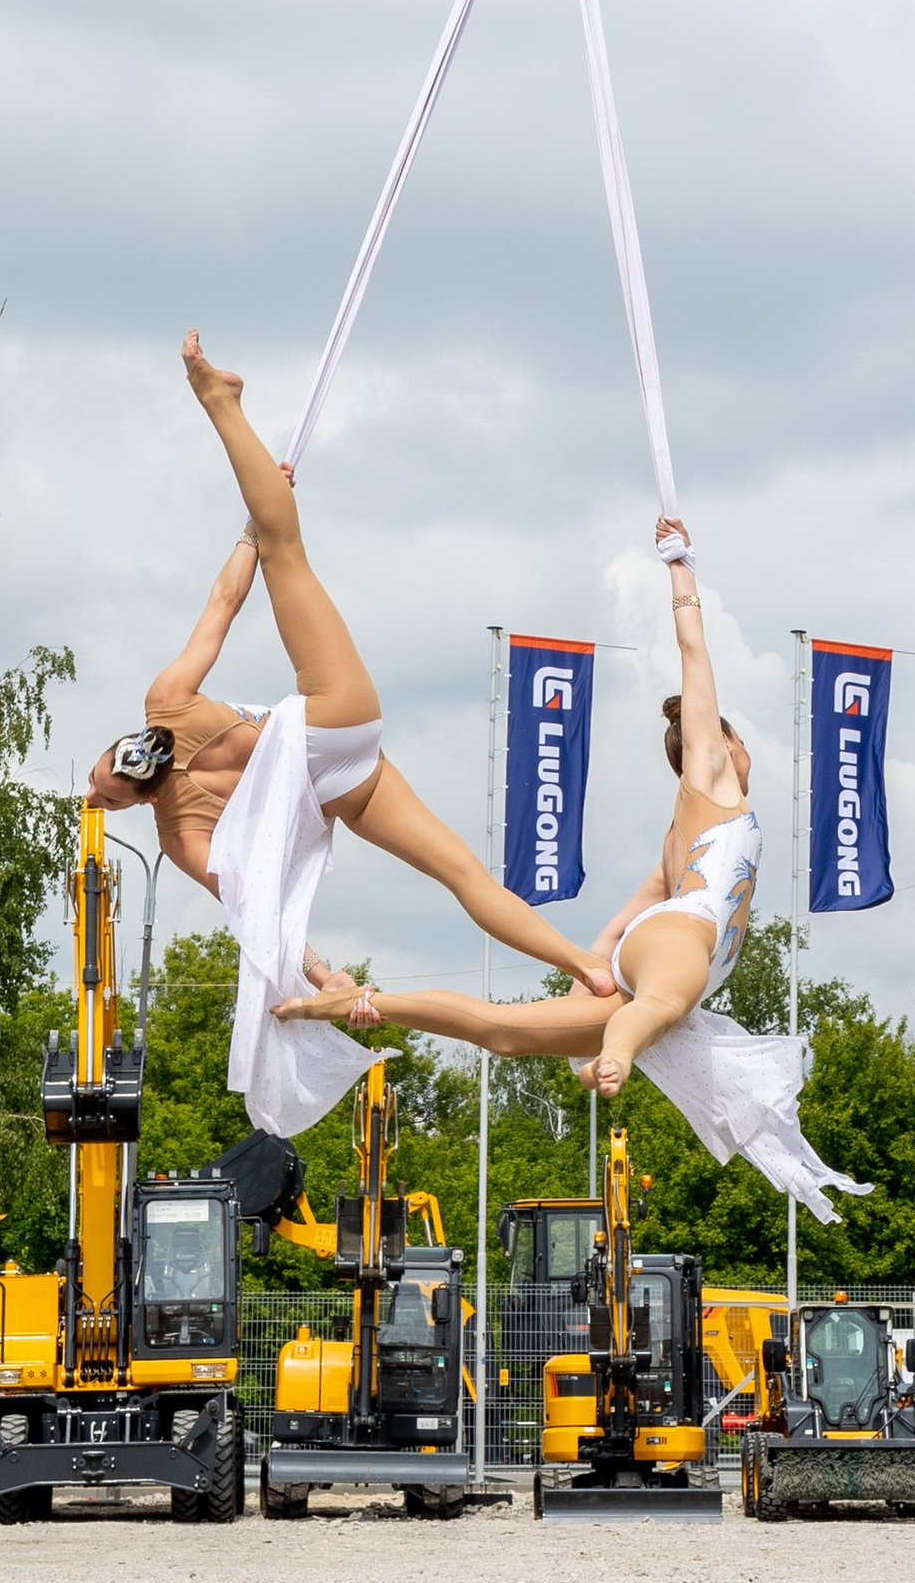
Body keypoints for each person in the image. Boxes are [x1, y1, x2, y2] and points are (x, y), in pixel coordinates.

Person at [89, 337, 620, 1130]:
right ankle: (221, 402)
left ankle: (585, 965)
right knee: (286, 553)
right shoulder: (172, 752)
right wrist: (253, 529)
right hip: (335, 739)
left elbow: (257, 906)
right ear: (133, 773)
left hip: (335, 777)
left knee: (465, 878)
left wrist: (320, 972)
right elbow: (223, 606)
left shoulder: (173, 786)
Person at [276, 519, 866, 1218]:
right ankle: (614, 1061)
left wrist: (594, 966)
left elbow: (640, 903)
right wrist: (682, 569)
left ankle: (359, 1004)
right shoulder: (713, 775)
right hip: (682, 946)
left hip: (660, 941)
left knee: (505, 1032)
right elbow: (694, 655)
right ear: (724, 741)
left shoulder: (682, 828)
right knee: (659, 1008)